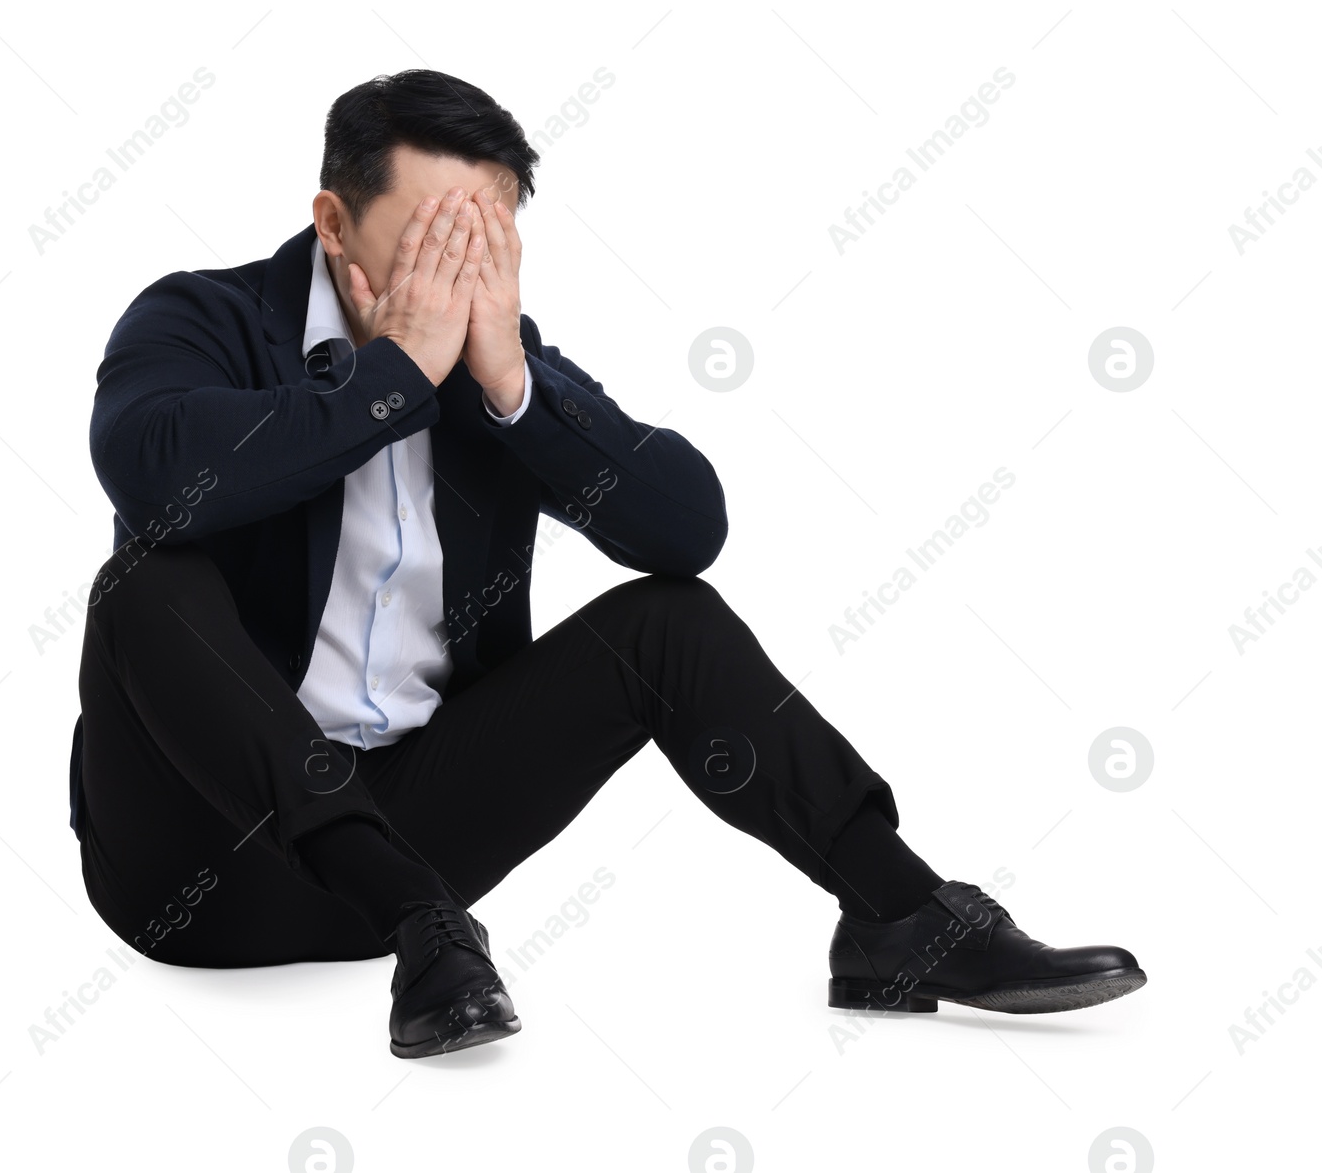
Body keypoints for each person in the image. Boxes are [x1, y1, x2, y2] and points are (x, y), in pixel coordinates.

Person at [66, 68, 1146, 1059]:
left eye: (477, 246)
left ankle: (900, 917)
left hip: (417, 853)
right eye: (426, 243)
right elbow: (158, 478)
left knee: (668, 621)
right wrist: (385, 381)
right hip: (194, 863)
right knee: (142, 586)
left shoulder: (495, 359)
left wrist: (512, 390)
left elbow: (687, 530)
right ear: (332, 221)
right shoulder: (203, 318)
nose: (452, 280)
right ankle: (415, 914)